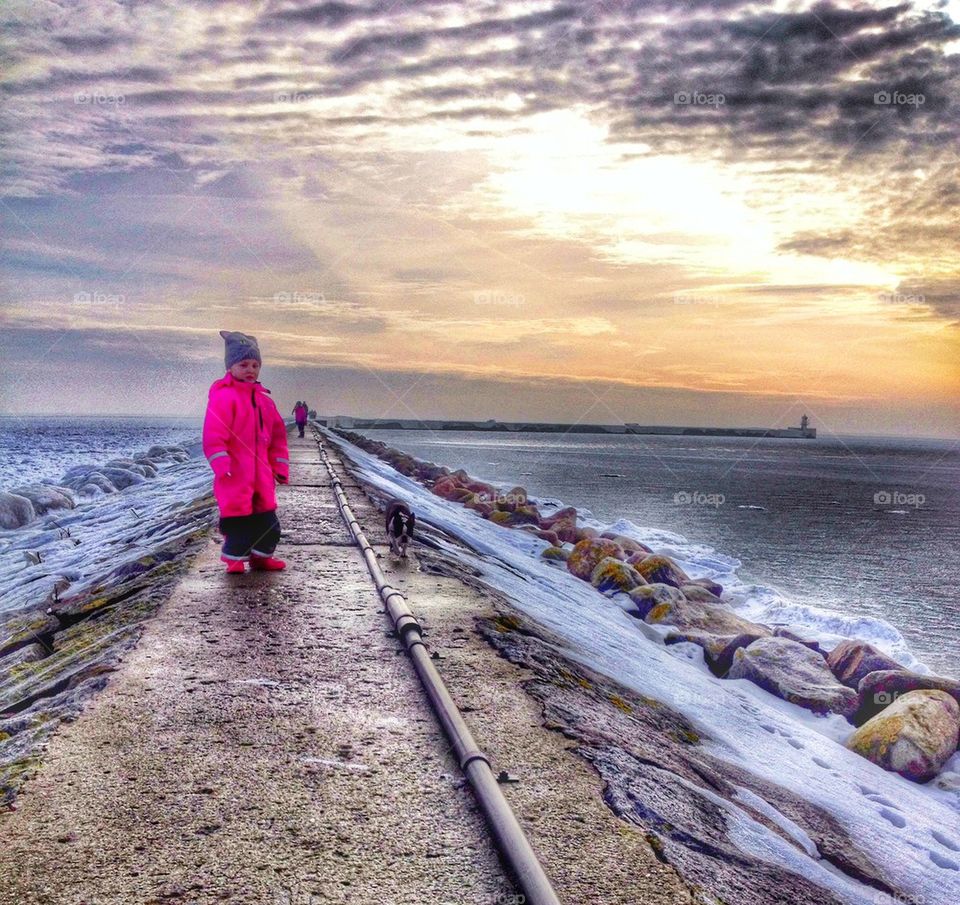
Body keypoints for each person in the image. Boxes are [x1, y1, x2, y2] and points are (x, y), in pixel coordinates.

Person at [203, 330, 290, 573]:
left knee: (268, 523)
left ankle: (261, 557)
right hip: (235, 475)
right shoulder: (224, 398)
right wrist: (221, 463)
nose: (250, 369)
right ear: (230, 367)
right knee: (238, 522)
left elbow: (278, 439)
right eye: (243, 364)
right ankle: (234, 560)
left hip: (262, 476)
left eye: (255, 365)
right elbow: (213, 435)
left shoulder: (265, 402)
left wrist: (280, 466)